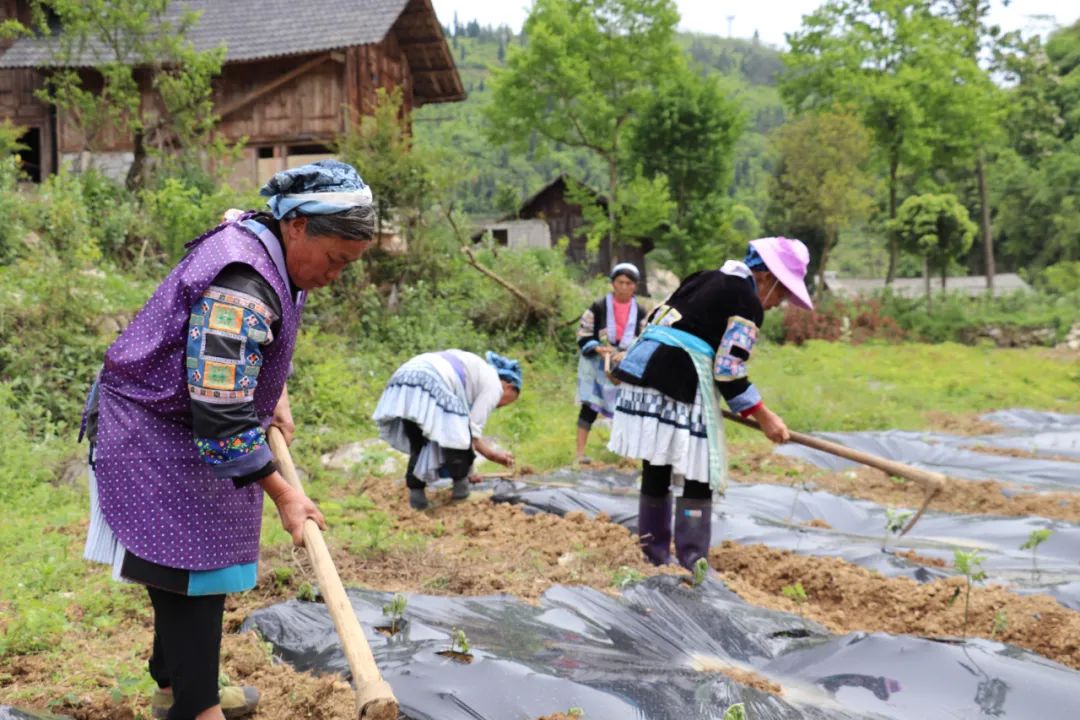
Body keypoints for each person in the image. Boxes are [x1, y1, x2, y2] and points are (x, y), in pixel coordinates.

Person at [80, 160, 375, 720]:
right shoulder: (240, 283)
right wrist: (286, 495)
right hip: (153, 429)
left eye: (348, 265)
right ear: (296, 227)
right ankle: (197, 708)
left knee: (189, 570)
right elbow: (221, 411)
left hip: (184, 420)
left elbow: (245, 355)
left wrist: (275, 393)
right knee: (191, 572)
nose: (336, 274)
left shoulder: (273, 248)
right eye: (336, 258)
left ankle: (176, 691)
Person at [608, 237, 813, 569]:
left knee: (657, 465)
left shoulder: (702, 277)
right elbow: (729, 371)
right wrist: (763, 415)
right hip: (680, 377)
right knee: (699, 472)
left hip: (644, 369)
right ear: (765, 277)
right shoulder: (747, 301)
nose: (779, 303)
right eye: (782, 293)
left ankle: (654, 556)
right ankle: (692, 560)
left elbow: (660, 321)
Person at [373, 350, 521, 510]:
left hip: (405, 376)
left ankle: (418, 500)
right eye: (506, 402)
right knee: (458, 435)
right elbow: (470, 432)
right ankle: (461, 493)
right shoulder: (494, 385)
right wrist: (493, 456)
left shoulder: (478, 371)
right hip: (431, 378)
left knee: (419, 443)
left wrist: (471, 470)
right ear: (509, 386)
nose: (499, 406)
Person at [574, 262, 648, 464]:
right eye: (620, 282)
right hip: (598, 362)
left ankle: (626, 455)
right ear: (613, 284)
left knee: (626, 407)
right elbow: (583, 332)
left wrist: (626, 353)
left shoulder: (641, 312)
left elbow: (645, 339)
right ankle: (580, 454)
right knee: (590, 406)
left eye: (628, 283)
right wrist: (597, 347)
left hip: (626, 363)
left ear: (635, 286)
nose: (624, 287)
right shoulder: (598, 307)